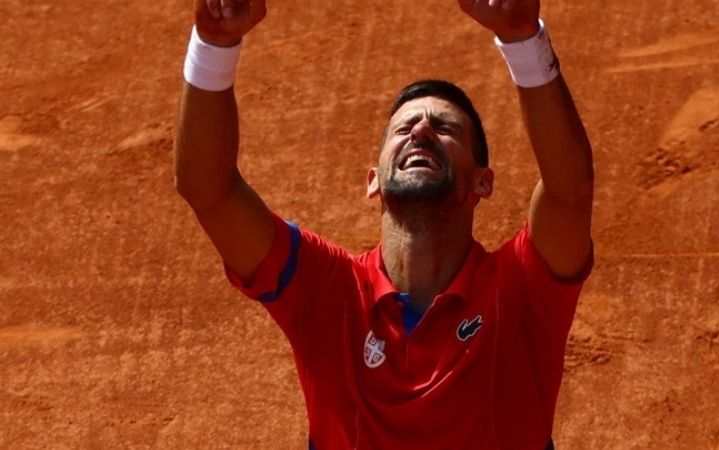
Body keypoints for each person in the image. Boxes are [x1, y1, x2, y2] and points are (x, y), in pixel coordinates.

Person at [175, 0, 594, 448]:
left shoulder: (521, 289)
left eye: (445, 128)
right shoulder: (327, 290)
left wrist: (524, 42)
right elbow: (209, 190)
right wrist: (214, 45)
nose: (421, 131)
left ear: (482, 182)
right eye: (404, 128)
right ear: (373, 180)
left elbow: (569, 191)